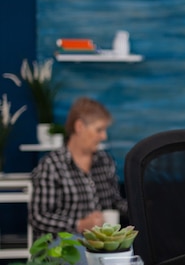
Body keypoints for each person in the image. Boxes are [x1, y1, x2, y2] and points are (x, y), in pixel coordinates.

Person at [30, 97, 127, 241]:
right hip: (63, 244)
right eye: (99, 130)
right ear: (80, 126)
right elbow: (38, 217)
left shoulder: (105, 161)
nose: (104, 136)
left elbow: (115, 202)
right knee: (85, 255)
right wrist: (80, 224)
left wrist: (144, 206)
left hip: (100, 241)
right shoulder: (52, 165)